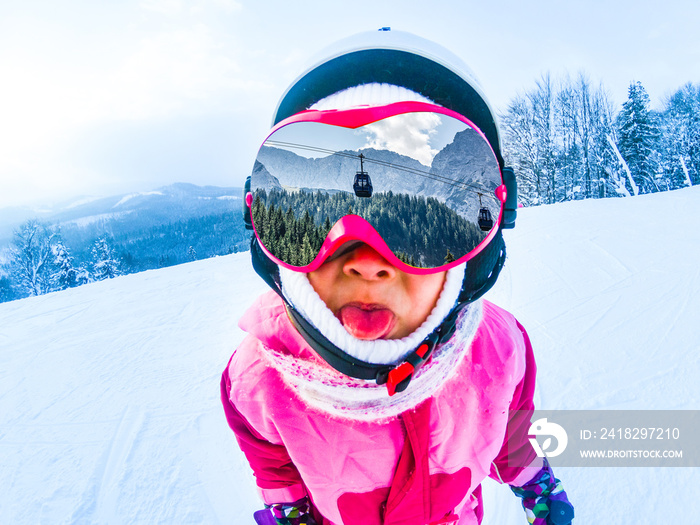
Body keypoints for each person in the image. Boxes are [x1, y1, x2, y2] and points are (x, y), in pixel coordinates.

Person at [221, 28, 574, 525]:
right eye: (314, 212)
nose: (368, 261)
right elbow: (275, 464)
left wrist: (536, 483)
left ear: (472, 258)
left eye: (426, 226)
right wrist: (290, 514)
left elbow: (507, 432)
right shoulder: (261, 382)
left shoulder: (497, 351)